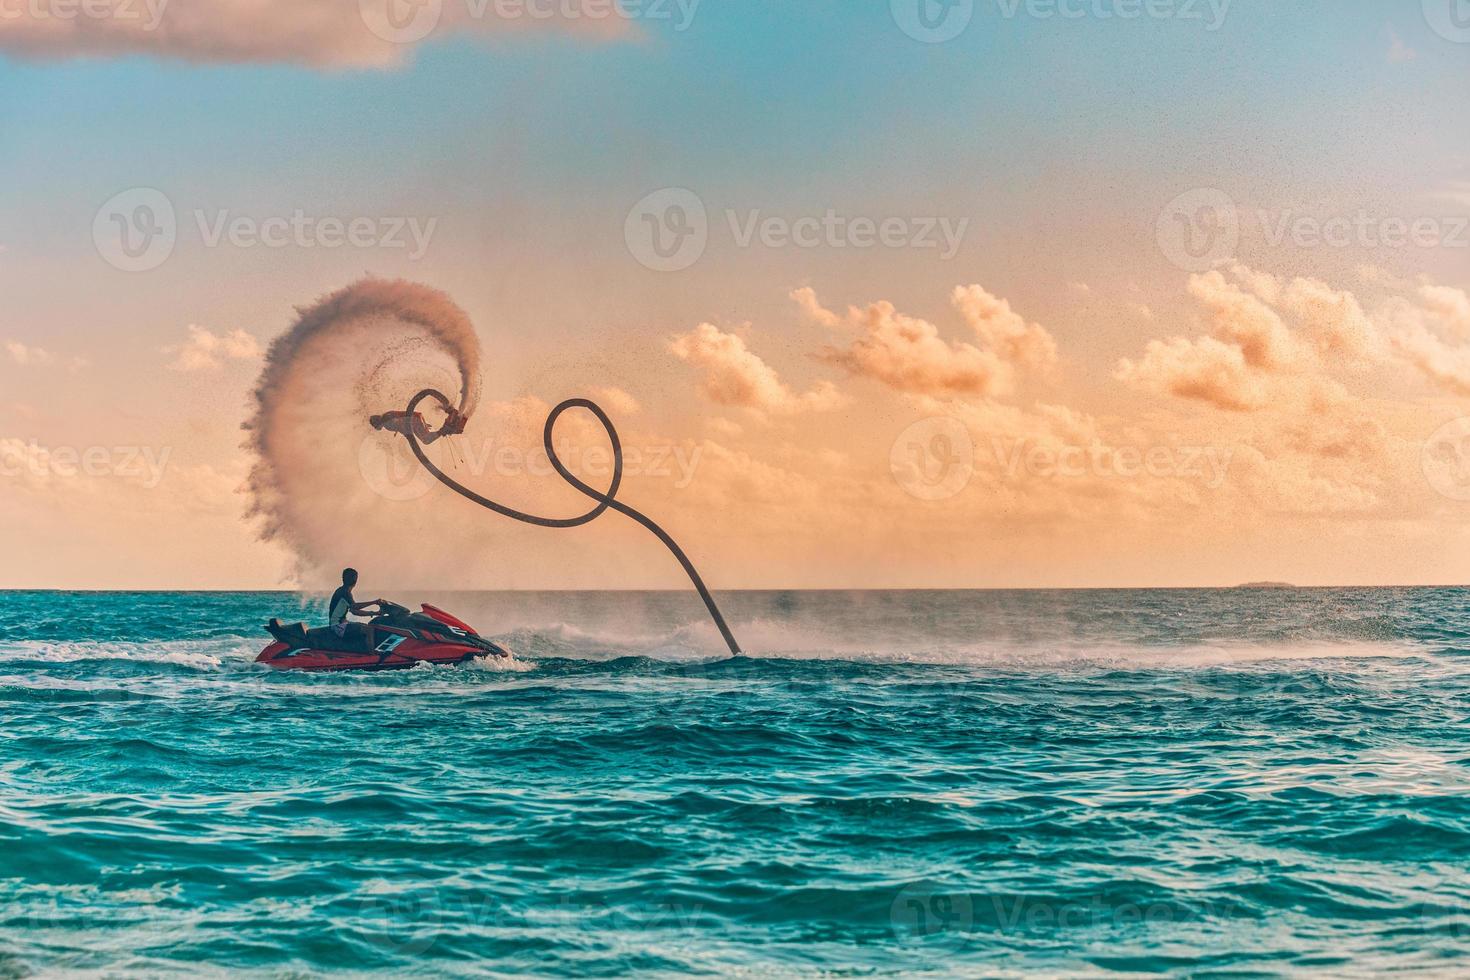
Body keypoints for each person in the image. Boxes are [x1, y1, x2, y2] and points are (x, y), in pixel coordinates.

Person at [329, 568, 384, 649]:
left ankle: (363, 651)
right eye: (354, 577)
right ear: (355, 580)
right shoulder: (345, 592)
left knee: (365, 625)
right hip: (337, 626)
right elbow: (355, 606)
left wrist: (375, 613)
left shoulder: (343, 591)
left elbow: (354, 611)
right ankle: (372, 655)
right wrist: (374, 602)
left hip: (340, 624)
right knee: (369, 630)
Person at [370, 407, 467, 444]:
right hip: (415, 419)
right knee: (426, 439)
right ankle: (451, 423)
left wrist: (409, 435)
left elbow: (400, 423)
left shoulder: (387, 419)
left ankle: (445, 428)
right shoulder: (387, 419)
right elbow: (401, 425)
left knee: (426, 439)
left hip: (414, 420)